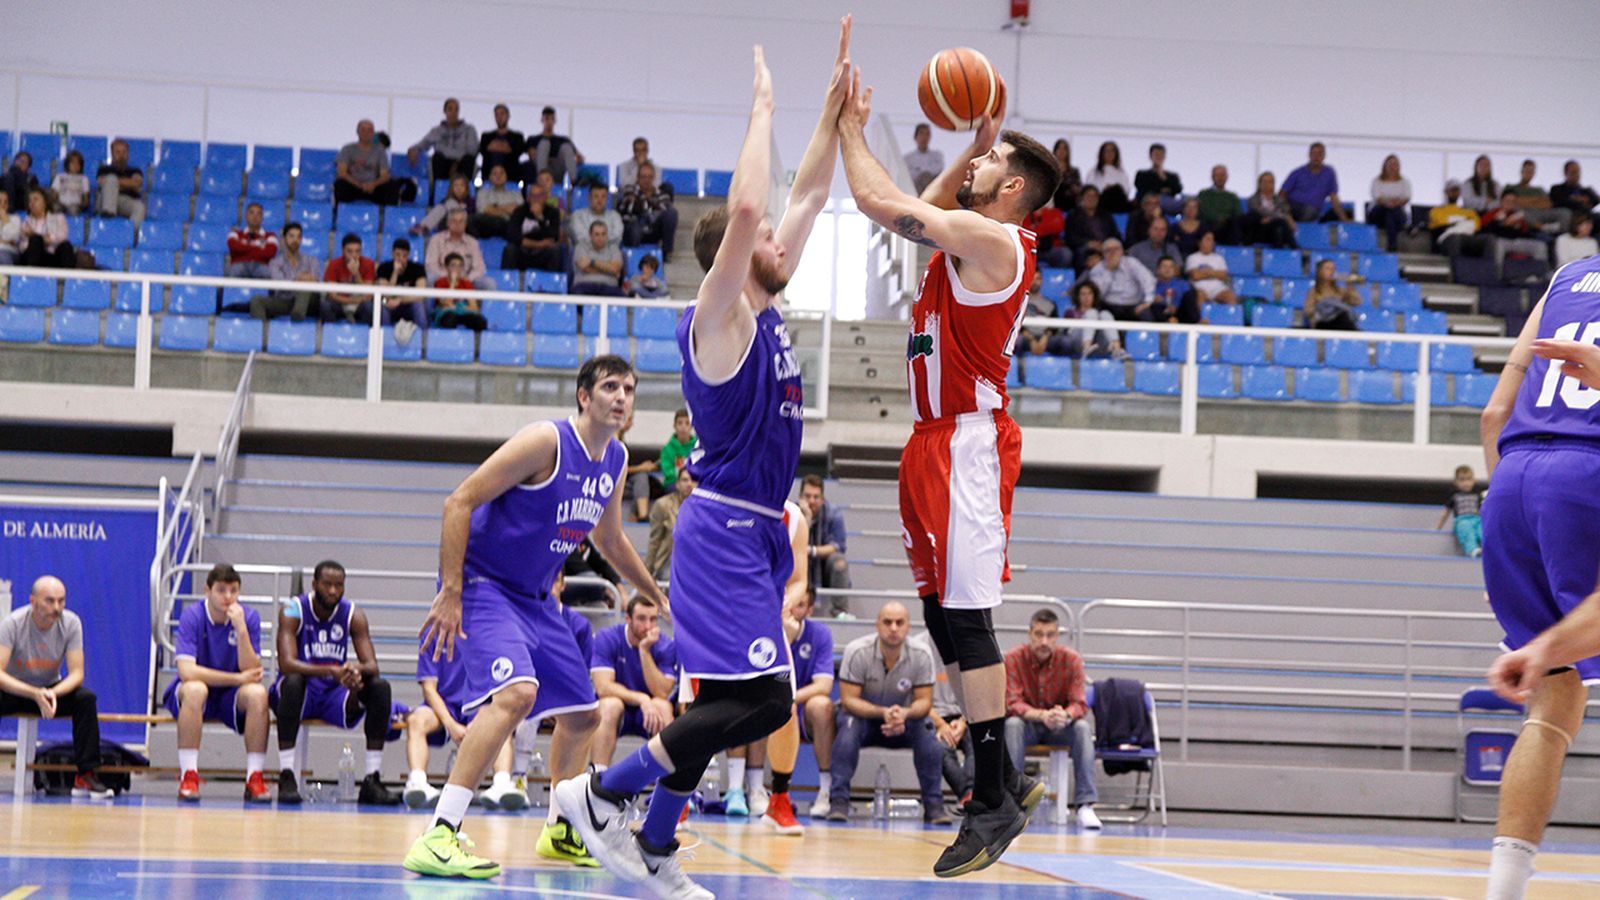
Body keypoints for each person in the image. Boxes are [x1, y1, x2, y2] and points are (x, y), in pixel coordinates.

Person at [557, 26, 849, 898]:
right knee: (764, 703)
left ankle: (653, 844)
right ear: (738, 252)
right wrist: (763, 108)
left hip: (750, 531)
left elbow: (809, 194)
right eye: (768, 241)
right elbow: (753, 207)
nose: (784, 245)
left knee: (724, 703)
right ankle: (599, 793)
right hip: (722, 531)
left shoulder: (768, 308)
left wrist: (833, 116)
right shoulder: (717, 321)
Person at [837, 38, 1054, 876]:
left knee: (967, 619)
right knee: (936, 611)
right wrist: (974, 147)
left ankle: (992, 797)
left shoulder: (996, 243)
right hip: (931, 442)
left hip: (968, 442)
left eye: (991, 160)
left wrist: (850, 127)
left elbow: (879, 203)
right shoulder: (966, 237)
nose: (977, 161)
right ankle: (1006, 779)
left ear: (1012, 191)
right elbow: (920, 209)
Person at [403, 355, 666, 880]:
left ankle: (560, 828)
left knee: (584, 715)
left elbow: (610, 538)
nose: (621, 397)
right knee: (518, 694)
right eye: (610, 387)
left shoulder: (616, 459)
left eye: (629, 389)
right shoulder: (546, 442)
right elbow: (459, 502)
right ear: (584, 397)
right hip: (482, 585)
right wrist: (451, 590)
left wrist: (654, 592)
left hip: (536, 598)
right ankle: (440, 832)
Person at [1466, 251, 1600, 900]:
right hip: (1589, 469)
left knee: (1554, 700)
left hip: (1514, 480)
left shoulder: (1567, 276)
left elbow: (1493, 415)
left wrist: (1512, 511)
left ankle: (1505, 890)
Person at [270, 560, 399, 806]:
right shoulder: (293, 609)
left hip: (333, 693)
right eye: (327, 585)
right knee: (293, 682)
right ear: (314, 584)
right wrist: (332, 670)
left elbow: (372, 665)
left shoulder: (353, 614)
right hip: (300, 692)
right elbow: (286, 664)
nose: (333, 591)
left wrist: (353, 671)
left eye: (338, 585)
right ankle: (286, 775)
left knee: (379, 688)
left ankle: (372, 779)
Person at [826, 602, 952, 826]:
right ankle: (838, 802)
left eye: (899, 623)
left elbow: (924, 701)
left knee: (926, 729)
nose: (893, 628)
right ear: (877, 625)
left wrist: (904, 714)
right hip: (864, 720)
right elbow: (848, 700)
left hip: (904, 721)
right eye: (887, 622)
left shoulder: (921, 654)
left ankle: (934, 805)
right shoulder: (857, 651)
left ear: (908, 626)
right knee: (848, 727)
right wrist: (883, 712)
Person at [160, 564, 272, 803]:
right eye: (221, 590)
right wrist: (236, 679)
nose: (228, 597)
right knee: (195, 689)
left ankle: (255, 777)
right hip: (198, 691)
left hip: (231, 695)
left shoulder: (249, 617)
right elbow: (187, 672)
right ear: (207, 591)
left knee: (258, 694)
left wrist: (241, 630)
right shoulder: (193, 615)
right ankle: (189, 775)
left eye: (233, 590)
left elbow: (252, 671)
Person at [0, 575, 113, 799]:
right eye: (50, 601)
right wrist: (34, 693)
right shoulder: (12, 624)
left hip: (50, 691)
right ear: (33, 602)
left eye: (61, 601)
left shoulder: (71, 623)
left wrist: (51, 693)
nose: (57, 608)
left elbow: (77, 673)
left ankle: (86, 775)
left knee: (85, 699)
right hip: (16, 690)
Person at [402, 632, 528, 812]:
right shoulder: (432, 635)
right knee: (416, 720)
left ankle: (501, 785)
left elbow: (497, 686)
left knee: (500, 722)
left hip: (477, 705)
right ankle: (417, 783)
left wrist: (479, 721)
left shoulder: (485, 632)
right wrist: (451, 724)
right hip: (443, 706)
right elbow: (429, 689)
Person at [1002, 608, 1099, 829]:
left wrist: (1065, 714)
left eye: (1050, 635)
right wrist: (1042, 715)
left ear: (1057, 636)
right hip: (1028, 725)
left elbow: (1080, 703)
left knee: (1082, 728)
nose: (1044, 641)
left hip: (1059, 726)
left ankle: (1085, 805)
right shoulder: (1013, 658)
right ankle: (1013, 803)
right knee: (1012, 724)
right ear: (1030, 634)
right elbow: (1012, 703)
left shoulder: (1072, 660)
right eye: (1039, 634)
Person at [590, 597, 679, 769]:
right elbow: (603, 687)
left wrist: (644, 651)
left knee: (662, 706)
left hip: (650, 712)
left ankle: (665, 779)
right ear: (628, 619)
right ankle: (597, 774)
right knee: (609, 705)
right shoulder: (608, 637)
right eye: (641, 619)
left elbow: (662, 692)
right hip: (620, 708)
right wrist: (642, 699)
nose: (648, 626)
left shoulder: (666, 645)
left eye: (653, 619)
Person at [784, 587, 837, 820]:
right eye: (789, 604)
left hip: (800, 706)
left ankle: (825, 790)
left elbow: (823, 686)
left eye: (800, 605)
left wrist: (790, 698)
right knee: (757, 703)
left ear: (810, 610)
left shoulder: (820, 634)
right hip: (772, 703)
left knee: (822, 706)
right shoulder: (766, 629)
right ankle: (752, 789)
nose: (793, 610)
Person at [799, 474, 851, 613]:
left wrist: (812, 551)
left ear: (822, 499)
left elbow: (838, 546)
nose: (811, 501)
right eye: (807, 496)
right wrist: (807, 519)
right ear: (800, 497)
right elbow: (791, 544)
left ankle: (840, 612)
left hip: (824, 567)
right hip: (800, 564)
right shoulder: (793, 513)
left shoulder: (833, 513)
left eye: (816, 497)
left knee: (839, 562)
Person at [252, 222, 320, 321]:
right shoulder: (275, 263)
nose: (295, 240)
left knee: (305, 288)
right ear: (284, 239)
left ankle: (296, 322)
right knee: (256, 301)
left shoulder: (311, 260)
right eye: (291, 236)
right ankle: (261, 330)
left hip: (308, 304)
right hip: (284, 301)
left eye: (298, 237)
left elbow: (316, 282)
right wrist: (298, 278)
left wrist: (299, 281)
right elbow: (280, 284)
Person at [409, 98, 479, 192]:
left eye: (456, 109)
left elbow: (473, 150)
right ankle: (439, 191)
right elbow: (423, 145)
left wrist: (457, 163)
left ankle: (464, 191)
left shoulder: (469, 129)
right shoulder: (437, 131)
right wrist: (413, 150)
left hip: (461, 164)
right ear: (445, 111)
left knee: (469, 160)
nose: (453, 112)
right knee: (436, 158)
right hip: (442, 165)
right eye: (450, 109)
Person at [336, 120, 411, 206]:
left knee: (391, 187)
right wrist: (359, 184)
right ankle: (338, 212)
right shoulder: (347, 149)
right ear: (357, 131)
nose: (366, 133)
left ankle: (387, 213)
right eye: (363, 130)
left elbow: (384, 175)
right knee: (340, 185)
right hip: (353, 186)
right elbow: (342, 172)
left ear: (372, 133)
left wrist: (372, 185)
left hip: (374, 187)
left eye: (369, 130)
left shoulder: (381, 151)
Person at [618, 162, 679, 262]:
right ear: (638, 178)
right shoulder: (630, 190)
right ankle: (633, 258)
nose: (647, 180)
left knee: (672, 213)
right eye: (643, 177)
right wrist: (653, 205)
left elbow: (664, 210)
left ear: (653, 178)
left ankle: (666, 253)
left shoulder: (662, 194)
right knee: (634, 226)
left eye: (649, 177)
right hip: (634, 229)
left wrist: (640, 203)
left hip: (653, 230)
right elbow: (629, 207)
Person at [374, 237, 430, 342]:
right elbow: (384, 294)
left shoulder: (417, 268)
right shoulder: (384, 268)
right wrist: (395, 273)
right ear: (392, 254)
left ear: (408, 255)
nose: (401, 259)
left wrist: (400, 300)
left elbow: (421, 294)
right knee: (381, 302)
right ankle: (385, 339)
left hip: (408, 303)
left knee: (419, 304)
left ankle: (423, 340)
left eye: (404, 256)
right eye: (398, 255)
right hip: (388, 302)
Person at [1089, 237, 1158, 321]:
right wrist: (1109, 271)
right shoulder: (1097, 269)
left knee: (1146, 313)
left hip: (1134, 306)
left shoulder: (1132, 263)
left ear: (1122, 251)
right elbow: (1097, 294)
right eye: (1108, 250)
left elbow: (1148, 280)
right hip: (1109, 306)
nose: (1113, 253)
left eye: (1116, 249)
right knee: (1101, 314)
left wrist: (1147, 302)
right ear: (1103, 254)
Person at [645, 466, 695, 581]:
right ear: (677, 484)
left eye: (692, 480)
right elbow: (655, 541)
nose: (689, 484)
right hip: (669, 562)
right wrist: (647, 572)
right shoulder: (663, 505)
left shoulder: (704, 508)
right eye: (685, 480)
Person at [426, 208, 495, 289]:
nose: (457, 224)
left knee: (489, 283)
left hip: (466, 279)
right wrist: (449, 276)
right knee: (429, 278)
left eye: (461, 221)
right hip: (442, 278)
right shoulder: (436, 239)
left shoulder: (473, 242)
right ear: (448, 223)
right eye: (454, 221)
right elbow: (431, 265)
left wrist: (468, 278)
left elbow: (479, 268)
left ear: (465, 224)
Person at [1483, 189, 1551, 271]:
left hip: (1516, 241)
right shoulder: (1492, 213)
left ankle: (1540, 273)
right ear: (1501, 201)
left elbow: (1525, 233)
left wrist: (1516, 226)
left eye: (1513, 202)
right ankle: (1495, 272)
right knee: (1498, 244)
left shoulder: (1517, 216)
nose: (1510, 204)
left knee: (1540, 246)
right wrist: (1498, 222)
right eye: (1507, 201)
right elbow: (1484, 230)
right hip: (1500, 241)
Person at [503, 182, 564, 272]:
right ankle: (506, 279)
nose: (536, 199)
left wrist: (540, 218)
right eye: (533, 196)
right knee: (510, 249)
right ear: (528, 198)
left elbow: (554, 236)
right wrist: (539, 244)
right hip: (523, 251)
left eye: (539, 196)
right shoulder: (519, 211)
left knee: (556, 251)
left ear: (546, 197)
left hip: (542, 253)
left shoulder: (553, 212)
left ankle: (551, 280)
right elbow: (513, 235)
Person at [1281, 141, 1347, 223]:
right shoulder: (1297, 173)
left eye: (1320, 154)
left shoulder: (1329, 173)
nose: (1316, 157)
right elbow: (1282, 193)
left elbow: (1333, 197)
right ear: (1309, 155)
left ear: (1324, 156)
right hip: (1292, 207)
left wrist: (1345, 220)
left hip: (1313, 210)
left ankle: (1302, 229)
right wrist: (1286, 212)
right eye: (1314, 154)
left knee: (1312, 211)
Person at [322, 233, 379, 324]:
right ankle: (331, 330)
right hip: (341, 303)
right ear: (343, 251)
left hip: (360, 305)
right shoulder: (334, 264)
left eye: (357, 251)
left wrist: (356, 274)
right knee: (325, 305)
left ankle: (363, 331)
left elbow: (368, 295)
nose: (354, 255)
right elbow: (332, 295)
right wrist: (351, 301)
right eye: (350, 251)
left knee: (369, 307)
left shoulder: (368, 264)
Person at [1062, 185, 1118, 269]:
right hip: (1085, 246)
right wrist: (1088, 243)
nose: (1092, 199)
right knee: (1082, 252)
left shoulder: (1106, 215)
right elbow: (1070, 237)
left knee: (1116, 250)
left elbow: (1114, 234)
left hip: (1105, 245)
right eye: (1089, 196)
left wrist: (1106, 244)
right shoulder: (1073, 216)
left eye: (1095, 196)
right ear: (1082, 198)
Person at [1430, 179, 1488, 258]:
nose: (1454, 193)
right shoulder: (1436, 210)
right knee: (1455, 239)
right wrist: (1464, 221)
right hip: (1447, 238)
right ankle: (1456, 265)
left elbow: (1476, 224)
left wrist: (1454, 221)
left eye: (1456, 190)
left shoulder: (1469, 211)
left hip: (1467, 237)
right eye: (1451, 190)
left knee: (1488, 239)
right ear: (1446, 192)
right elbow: (1441, 222)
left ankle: (1489, 265)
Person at [19, 188, 76, 269]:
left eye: (35, 199)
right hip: (33, 258)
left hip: (53, 255)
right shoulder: (26, 221)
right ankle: (31, 275)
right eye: (30, 201)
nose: (32, 203)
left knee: (66, 246)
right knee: (36, 240)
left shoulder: (58, 218)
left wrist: (37, 236)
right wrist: (44, 238)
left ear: (45, 202)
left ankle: (67, 276)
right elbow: (23, 245)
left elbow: (62, 236)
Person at [1509, 159, 1570, 233]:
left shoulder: (1539, 190)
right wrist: (1537, 201)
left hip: (1541, 214)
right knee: (1521, 213)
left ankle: (1560, 232)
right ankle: (1543, 228)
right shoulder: (1511, 187)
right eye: (1527, 171)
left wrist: (1525, 201)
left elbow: (1548, 204)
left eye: (1531, 172)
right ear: (1522, 172)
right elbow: (1513, 202)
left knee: (1565, 212)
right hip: (1525, 214)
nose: (1529, 174)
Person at [96, 139, 146, 228]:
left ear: (128, 154)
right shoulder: (104, 169)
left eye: (124, 152)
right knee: (111, 178)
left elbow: (137, 183)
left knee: (140, 207)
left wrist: (114, 184)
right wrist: (127, 184)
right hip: (105, 200)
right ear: (112, 154)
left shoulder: (135, 170)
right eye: (118, 152)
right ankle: (108, 217)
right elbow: (101, 182)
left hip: (125, 201)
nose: (121, 155)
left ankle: (129, 233)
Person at [431, 253, 488, 330]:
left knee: (480, 322)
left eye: (460, 266)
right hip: (447, 313)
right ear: (446, 267)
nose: (457, 269)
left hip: (462, 312)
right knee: (449, 319)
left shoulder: (466, 283)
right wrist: (453, 283)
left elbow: (474, 306)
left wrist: (459, 307)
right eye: (453, 265)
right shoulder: (440, 282)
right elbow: (446, 303)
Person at [1436, 465, 1483, 558]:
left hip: (1477, 519)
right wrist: (1438, 528)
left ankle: (1489, 548)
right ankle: (1472, 550)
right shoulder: (1455, 496)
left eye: (1469, 479)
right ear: (1456, 482)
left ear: (1473, 480)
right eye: (1462, 480)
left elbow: (1482, 510)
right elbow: (1445, 513)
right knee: (1467, 531)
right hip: (1462, 520)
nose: (1466, 483)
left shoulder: (1477, 495)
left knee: (1482, 530)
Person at [527, 106, 582, 185]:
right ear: (542, 120)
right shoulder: (533, 139)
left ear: (555, 120)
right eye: (547, 119)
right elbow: (532, 156)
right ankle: (542, 179)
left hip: (557, 169)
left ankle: (574, 182)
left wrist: (574, 160)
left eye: (552, 119)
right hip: (540, 169)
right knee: (544, 143)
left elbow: (579, 157)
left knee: (566, 147)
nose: (549, 122)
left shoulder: (563, 140)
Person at [1303, 258, 1363, 330]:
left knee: (1344, 317)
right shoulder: (1314, 291)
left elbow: (1357, 302)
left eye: (1333, 269)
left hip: (1341, 323)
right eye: (1328, 268)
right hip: (1323, 324)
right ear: (1320, 271)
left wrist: (1350, 287)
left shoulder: (1340, 291)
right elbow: (1308, 310)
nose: (1332, 271)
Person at [1368, 154, 1413, 249]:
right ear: (1385, 166)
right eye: (1390, 164)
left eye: (1395, 164)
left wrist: (1393, 203)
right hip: (1379, 213)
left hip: (1397, 214)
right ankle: (1392, 245)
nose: (1392, 167)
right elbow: (1377, 198)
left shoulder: (1405, 182)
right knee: (1389, 211)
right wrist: (1388, 203)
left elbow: (1406, 198)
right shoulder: (1377, 181)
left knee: (1391, 214)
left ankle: (1392, 245)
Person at [226, 202, 278, 278]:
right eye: (251, 213)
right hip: (239, 266)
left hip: (261, 267)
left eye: (258, 214)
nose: (255, 216)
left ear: (262, 217)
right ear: (246, 216)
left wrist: (244, 248)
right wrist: (258, 248)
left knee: (266, 272)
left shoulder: (270, 236)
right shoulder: (235, 234)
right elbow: (234, 248)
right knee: (236, 269)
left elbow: (269, 253)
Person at [1185, 230, 1237, 307]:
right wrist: (1214, 273)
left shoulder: (1219, 258)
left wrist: (1204, 272)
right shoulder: (1192, 257)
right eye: (1208, 239)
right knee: (1199, 296)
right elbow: (1195, 275)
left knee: (1230, 296)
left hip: (1217, 289)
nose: (1211, 242)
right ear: (1199, 242)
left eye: (1212, 240)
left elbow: (1223, 275)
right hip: (1199, 288)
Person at [573, 221, 625, 296]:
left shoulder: (614, 249)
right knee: (577, 294)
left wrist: (592, 262)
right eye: (597, 234)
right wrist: (609, 270)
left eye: (603, 234)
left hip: (609, 287)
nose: (600, 238)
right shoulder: (581, 247)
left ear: (607, 235)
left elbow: (615, 268)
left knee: (622, 297)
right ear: (590, 235)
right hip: (584, 285)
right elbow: (584, 267)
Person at [1247, 171, 1297, 248]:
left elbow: (1286, 212)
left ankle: (1280, 249)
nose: (1267, 184)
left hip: (1278, 228)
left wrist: (1273, 218)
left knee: (1279, 228)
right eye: (1264, 182)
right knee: (1280, 222)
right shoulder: (1253, 199)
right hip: (1261, 228)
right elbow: (1259, 212)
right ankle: (1294, 246)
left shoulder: (1280, 200)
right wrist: (1281, 217)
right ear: (1259, 184)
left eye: (1270, 182)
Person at [476, 104, 525, 182]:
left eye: (502, 114)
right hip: (488, 174)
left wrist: (496, 148)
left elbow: (517, 152)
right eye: (497, 115)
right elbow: (483, 151)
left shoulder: (517, 137)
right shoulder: (486, 136)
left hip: (511, 175)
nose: (499, 117)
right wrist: (504, 148)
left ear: (508, 116)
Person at [569, 183, 623, 249]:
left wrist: (597, 242)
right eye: (596, 196)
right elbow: (580, 239)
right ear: (589, 198)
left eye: (603, 197)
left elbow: (617, 238)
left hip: (610, 252)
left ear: (607, 199)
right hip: (585, 252)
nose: (600, 200)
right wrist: (602, 242)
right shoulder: (578, 216)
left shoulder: (615, 216)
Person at [1196, 164, 1242, 243]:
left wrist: (1225, 219)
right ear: (1212, 177)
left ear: (1226, 177)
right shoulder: (1204, 194)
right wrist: (1219, 218)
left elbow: (1238, 213)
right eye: (1217, 175)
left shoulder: (1232, 196)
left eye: (1222, 175)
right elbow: (1204, 211)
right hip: (1210, 225)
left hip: (1227, 226)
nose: (1220, 178)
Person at [1133, 142, 1183, 214]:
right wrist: (1161, 190)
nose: (1159, 157)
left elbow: (1178, 189)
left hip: (1168, 203)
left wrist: (1163, 177)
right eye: (1156, 155)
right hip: (1148, 203)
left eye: (1161, 155)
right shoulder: (1142, 174)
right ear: (1150, 156)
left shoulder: (1172, 176)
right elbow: (1142, 188)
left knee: (1188, 202)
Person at [1084, 140, 1131, 213]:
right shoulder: (1093, 172)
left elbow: (1126, 190)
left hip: (1118, 203)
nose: (1109, 153)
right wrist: (1104, 189)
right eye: (1107, 151)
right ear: (1101, 154)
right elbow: (1089, 189)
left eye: (1112, 151)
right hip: (1100, 203)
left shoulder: (1122, 173)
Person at [1151, 256, 1201, 324]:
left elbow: (1189, 302)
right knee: (1155, 305)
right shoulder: (1153, 286)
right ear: (1158, 270)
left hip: (1181, 314)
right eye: (1164, 266)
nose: (1167, 269)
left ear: (1174, 270)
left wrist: (1175, 307)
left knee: (1190, 296)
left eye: (1171, 267)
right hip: (1163, 314)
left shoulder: (1183, 284)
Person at [658, 408, 696, 483]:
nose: (683, 427)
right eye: (680, 423)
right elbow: (668, 471)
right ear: (674, 426)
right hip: (673, 483)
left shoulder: (698, 447)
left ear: (692, 426)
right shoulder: (666, 450)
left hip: (693, 483)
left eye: (687, 423)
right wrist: (683, 478)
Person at [904, 123, 945, 194]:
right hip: (916, 187)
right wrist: (923, 172)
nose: (924, 137)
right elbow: (909, 175)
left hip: (933, 184)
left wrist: (919, 169)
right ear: (915, 137)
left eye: (927, 134)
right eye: (921, 133)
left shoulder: (936, 155)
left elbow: (939, 169)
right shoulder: (908, 158)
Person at [51, 150, 91, 215]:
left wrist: (81, 205)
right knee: (55, 208)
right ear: (67, 164)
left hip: (75, 205)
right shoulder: (60, 177)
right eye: (72, 163)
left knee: (73, 210)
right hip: (61, 203)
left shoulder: (84, 179)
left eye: (78, 163)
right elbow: (54, 194)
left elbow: (86, 198)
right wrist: (57, 202)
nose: (75, 165)